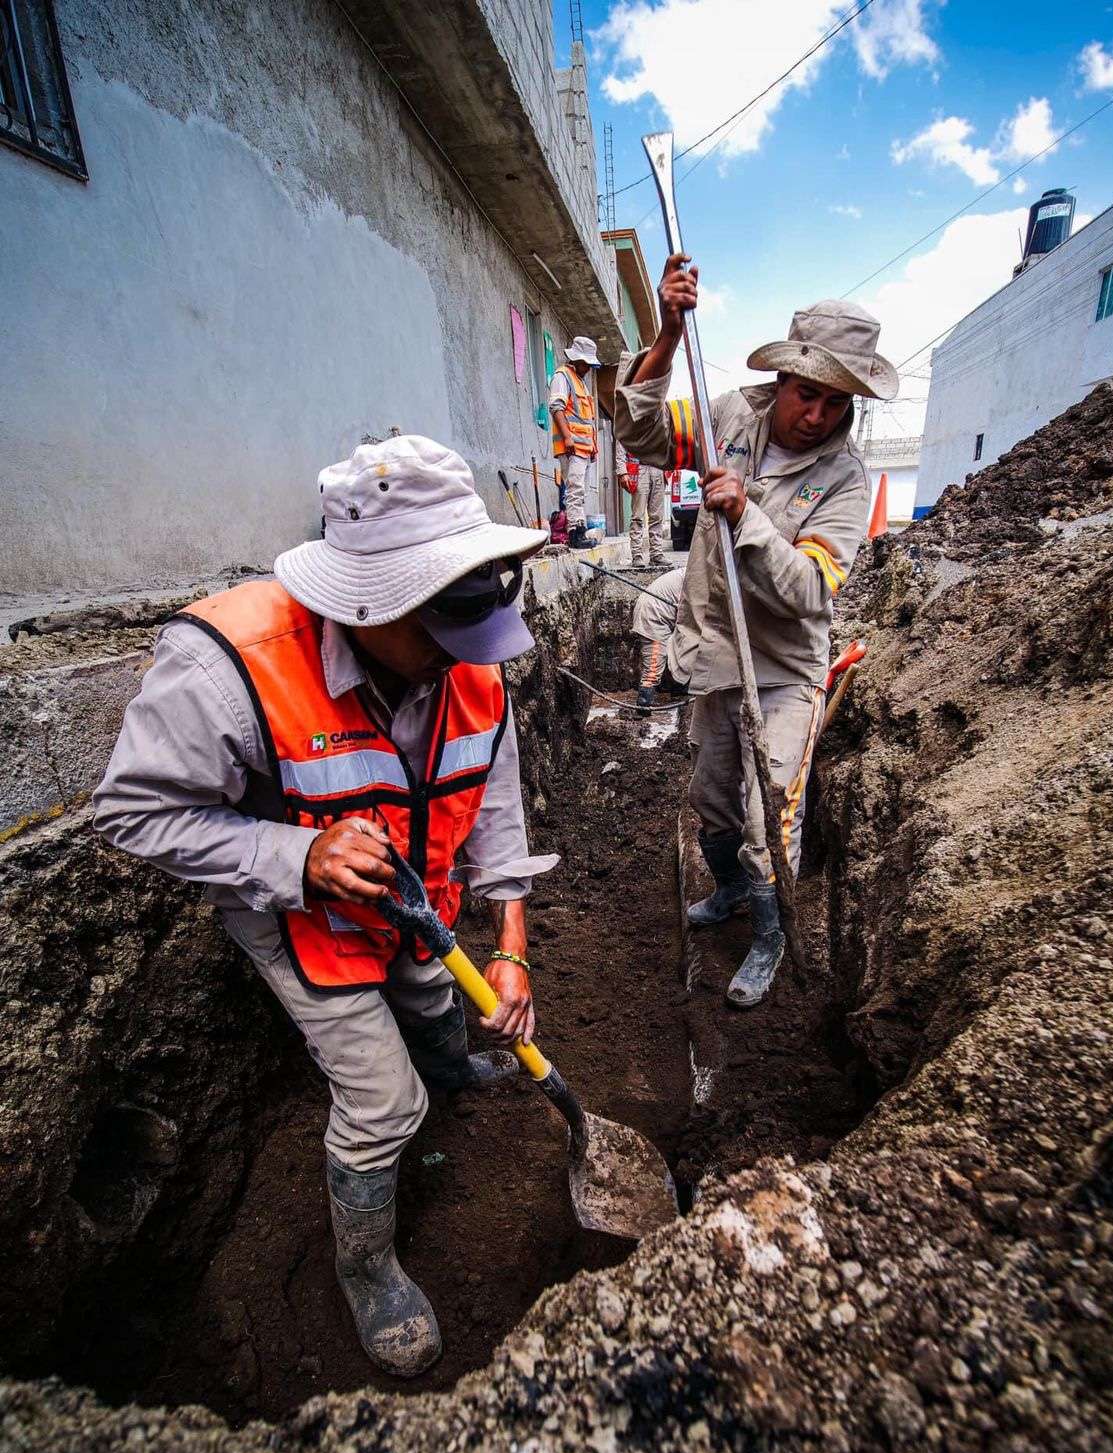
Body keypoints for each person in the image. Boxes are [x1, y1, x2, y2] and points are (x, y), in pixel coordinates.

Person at [93, 435, 554, 1378]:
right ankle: (368, 1265)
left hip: (412, 893)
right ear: (363, 603)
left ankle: (450, 1073)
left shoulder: (465, 659)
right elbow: (132, 814)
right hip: (293, 914)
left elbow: (496, 805)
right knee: (385, 1101)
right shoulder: (228, 665)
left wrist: (510, 942)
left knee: (432, 1001)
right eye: (437, 634)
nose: (457, 659)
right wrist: (298, 856)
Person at [616, 255, 897, 1007]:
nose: (821, 416)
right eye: (810, 396)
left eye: (839, 403)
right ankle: (734, 893)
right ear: (783, 382)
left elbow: (809, 591)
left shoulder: (843, 478)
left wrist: (748, 515)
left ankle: (773, 934)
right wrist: (668, 334)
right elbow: (639, 435)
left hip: (783, 669)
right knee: (712, 798)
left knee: (767, 807)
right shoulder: (726, 419)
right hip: (715, 654)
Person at [549, 334, 600, 550]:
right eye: (586, 363)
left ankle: (579, 529)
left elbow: (588, 419)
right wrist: (568, 437)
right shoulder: (563, 376)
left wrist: (593, 447)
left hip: (583, 448)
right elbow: (556, 407)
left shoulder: (580, 382)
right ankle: (574, 533)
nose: (588, 368)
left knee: (580, 491)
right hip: (572, 447)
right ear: (577, 360)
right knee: (574, 489)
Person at [631, 564, 685, 715]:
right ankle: (643, 705)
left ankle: (679, 687)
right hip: (654, 615)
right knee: (654, 661)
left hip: (662, 613)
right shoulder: (695, 579)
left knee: (683, 649)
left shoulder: (692, 574)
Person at [616, 437, 667, 569]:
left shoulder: (659, 418)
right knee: (637, 516)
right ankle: (637, 555)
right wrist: (622, 472)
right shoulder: (630, 419)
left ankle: (656, 554)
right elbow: (621, 440)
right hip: (639, 469)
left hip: (658, 469)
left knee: (657, 517)